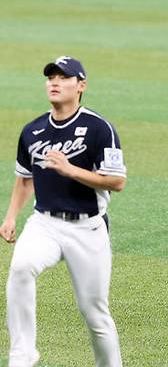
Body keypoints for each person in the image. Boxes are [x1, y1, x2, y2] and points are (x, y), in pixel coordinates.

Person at [0, 56, 125, 366]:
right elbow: (25, 179)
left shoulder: (99, 128)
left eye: (63, 77)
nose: (54, 82)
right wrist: (12, 216)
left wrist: (72, 171)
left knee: (95, 313)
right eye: (50, 77)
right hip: (44, 223)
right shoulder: (33, 130)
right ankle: (22, 354)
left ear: (80, 86)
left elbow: (117, 181)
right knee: (20, 268)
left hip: (88, 228)